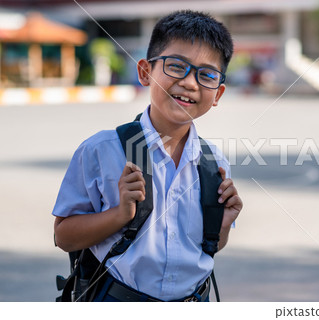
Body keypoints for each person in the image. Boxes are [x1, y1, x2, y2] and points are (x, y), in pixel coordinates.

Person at [52, 10, 243, 302]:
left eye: (207, 75)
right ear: (145, 72)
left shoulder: (212, 162)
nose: (190, 83)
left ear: (217, 94)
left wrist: (223, 223)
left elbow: (208, 246)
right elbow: (64, 236)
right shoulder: (102, 149)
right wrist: (118, 215)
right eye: (177, 66)